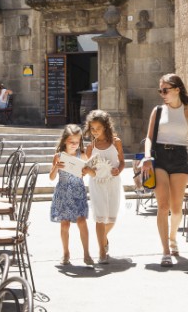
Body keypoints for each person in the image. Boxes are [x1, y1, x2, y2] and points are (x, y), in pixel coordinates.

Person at [141, 73, 188, 267]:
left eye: (165, 90)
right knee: (163, 206)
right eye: (160, 90)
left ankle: (173, 237)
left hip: (179, 158)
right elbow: (149, 137)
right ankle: (166, 251)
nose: (162, 94)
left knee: (176, 210)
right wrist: (147, 156)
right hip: (159, 157)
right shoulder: (158, 111)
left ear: (177, 89)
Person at [49, 124, 94, 266]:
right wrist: (56, 167)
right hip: (63, 192)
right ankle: (66, 253)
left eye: (77, 142)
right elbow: (51, 177)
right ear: (64, 141)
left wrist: (87, 170)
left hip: (78, 192)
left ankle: (86, 253)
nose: (74, 145)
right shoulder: (58, 156)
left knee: (82, 222)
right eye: (71, 142)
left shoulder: (83, 155)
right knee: (65, 224)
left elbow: (93, 173)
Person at [83, 109, 125, 264]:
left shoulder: (116, 142)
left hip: (113, 183)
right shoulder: (90, 148)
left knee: (111, 219)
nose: (94, 132)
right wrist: (85, 170)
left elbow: (122, 162)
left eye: (98, 128)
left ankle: (103, 239)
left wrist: (118, 170)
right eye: (92, 129)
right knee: (100, 218)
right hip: (97, 185)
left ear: (106, 127)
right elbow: (89, 168)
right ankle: (102, 251)